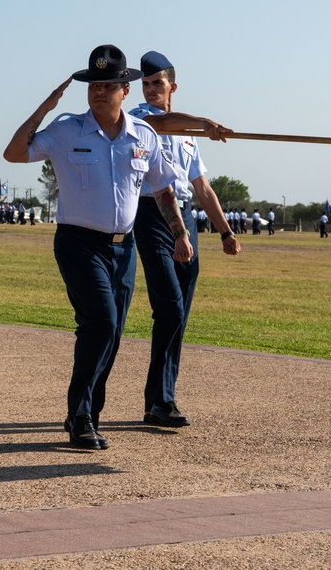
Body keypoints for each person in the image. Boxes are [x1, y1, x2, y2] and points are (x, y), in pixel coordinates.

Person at [3, 44, 203, 451]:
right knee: (103, 323)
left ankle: (87, 416)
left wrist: (180, 233)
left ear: (124, 90)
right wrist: (44, 107)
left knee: (110, 333)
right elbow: (14, 153)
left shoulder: (143, 135)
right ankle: (80, 416)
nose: (99, 91)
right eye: (94, 84)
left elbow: (163, 189)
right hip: (78, 243)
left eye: (109, 85)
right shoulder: (64, 130)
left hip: (122, 248)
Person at [128, 51, 239, 429]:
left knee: (179, 316)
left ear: (172, 87)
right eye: (145, 84)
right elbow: (165, 121)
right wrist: (203, 122)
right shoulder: (142, 120)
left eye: (157, 84)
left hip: (187, 218)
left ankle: (163, 398)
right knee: (170, 309)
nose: (150, 89)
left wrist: (225, 231)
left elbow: (202, 188)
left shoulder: (190, 139)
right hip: (151, 215)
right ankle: (159, 400)